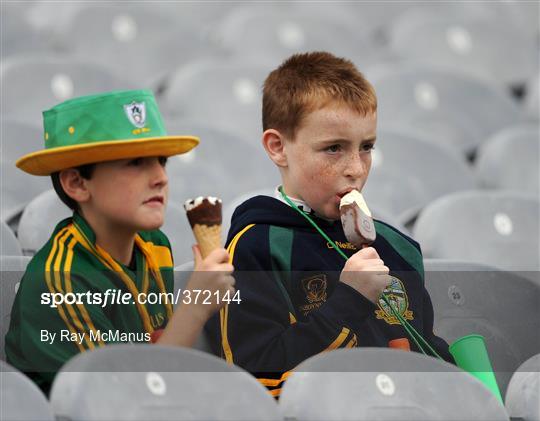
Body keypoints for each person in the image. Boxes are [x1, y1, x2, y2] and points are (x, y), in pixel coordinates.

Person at [205, 52, 454, 398]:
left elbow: (425, 350)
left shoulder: (398, 248)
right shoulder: (257, 246)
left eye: (366, 147)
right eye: (334, 148)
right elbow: (257, 382)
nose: (356, 167)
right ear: (278, 148)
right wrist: (349, 300)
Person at [5, 89, 234, 393]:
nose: (160, 177)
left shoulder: (155, 245)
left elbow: (151, 356)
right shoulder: (58, 280)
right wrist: (194, 308)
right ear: (77, 183)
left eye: (161, 161)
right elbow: (127, 396)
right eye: (136, 163)